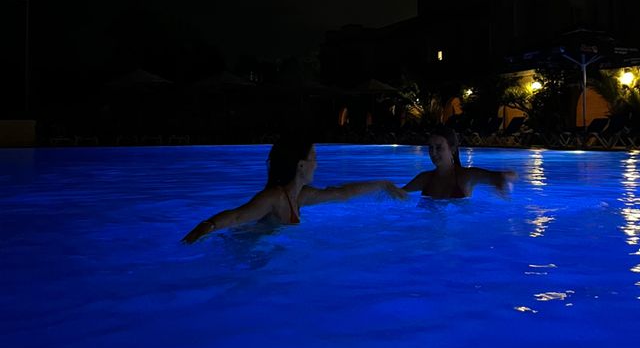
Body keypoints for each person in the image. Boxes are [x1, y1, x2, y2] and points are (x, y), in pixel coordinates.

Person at [181, 135, 407, 243]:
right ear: (301, 165)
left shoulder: (299, 196)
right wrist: (204, 229)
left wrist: (383, 184)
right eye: (314, 158)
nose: (317, 164)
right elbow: (238, 215)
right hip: (244, 250)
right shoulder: (275, 197)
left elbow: (341, 193)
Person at [402, 126, 517, 199]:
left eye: (438, 147)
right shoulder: (424, 178)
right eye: (430, 148)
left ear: (452, 149)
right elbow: (398, 193)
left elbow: (508, 175)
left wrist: (503, 180)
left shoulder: (466, 176)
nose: (433, 153)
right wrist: (385, 186)